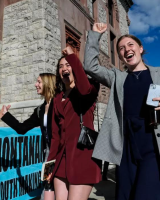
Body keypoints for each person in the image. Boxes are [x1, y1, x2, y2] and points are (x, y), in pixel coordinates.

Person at [84, 23, 160, 200]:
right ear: (120, 55)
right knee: (124, 196)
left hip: (153, 146)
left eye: (130, 45)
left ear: (140, 49)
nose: (126, 49)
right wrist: (95, 35)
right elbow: (90, 66)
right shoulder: (118, 77)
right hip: (126, 147)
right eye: (121, 48)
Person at [46, 46, 101, 200]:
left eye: (68, 65)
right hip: (61, 161)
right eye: (61, 66)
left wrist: (72, 56)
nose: (64, 68)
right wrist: (49, 167)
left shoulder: (89, 89)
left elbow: (83, 89)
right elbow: (55, 137)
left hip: (83, 158)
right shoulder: (56, 99)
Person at [1, 73, 56, 200]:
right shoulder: (40, 110)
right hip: (48, 155)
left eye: (39, 82)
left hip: (62, 153)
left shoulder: (59, 103)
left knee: (60, 188)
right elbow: (22, 128)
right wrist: (5, 115)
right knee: (47, 185)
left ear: (48, 84)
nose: (35, 85)